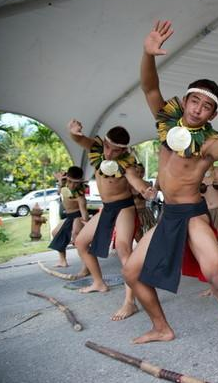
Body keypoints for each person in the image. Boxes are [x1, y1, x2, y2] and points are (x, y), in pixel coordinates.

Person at [121, 20, 218, 383]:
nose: (199, 108)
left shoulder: (207, 143)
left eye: (207, 106)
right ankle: (161, 326)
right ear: (185, 101)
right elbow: (149, 85)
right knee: (131, 272)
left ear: (213, 114)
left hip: (192, 214)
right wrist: (147, 53)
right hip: (167, 214)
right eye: (195, 100)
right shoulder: (166, 123)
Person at [69, 120, 156, 322]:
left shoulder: (128, 165)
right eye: (108, 147)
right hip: (106, 208)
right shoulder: (98, 149)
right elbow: (79, 139)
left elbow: (135, 181)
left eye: (116, 151)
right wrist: (73, 132)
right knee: (81, 242)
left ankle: (130, 302)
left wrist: (145, 190)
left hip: (124, 207)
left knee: (123, 250)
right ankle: (99, 282)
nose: (109, 153)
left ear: (123, 150)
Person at [48, 166, 89, 269]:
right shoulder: (65, 184)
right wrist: (60, 182)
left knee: (77, 238)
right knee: (55, 232)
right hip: (69, 216)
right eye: (70, 181)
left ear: (80, 182)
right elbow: (59, 192)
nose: (72, 185)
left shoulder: (80, 196)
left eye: (76, 183)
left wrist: (86, 223)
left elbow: (84, 212)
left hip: (78, 216)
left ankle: (87, 265)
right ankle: (62, 261)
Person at [131, 163, 157, 242]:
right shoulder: (129, 185)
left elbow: (152, 197)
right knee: (136, 234)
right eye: (137, 171)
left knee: (149, 235)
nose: (139, 174)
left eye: (142, 172)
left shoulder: (148, 184)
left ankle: (144, 251)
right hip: (133, 213)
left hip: (144, 213)